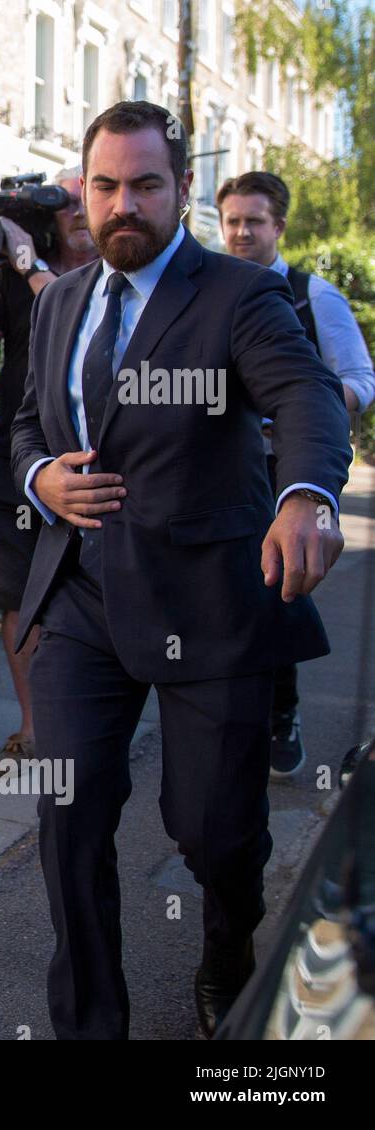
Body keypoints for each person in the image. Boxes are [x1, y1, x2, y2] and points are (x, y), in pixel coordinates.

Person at [10, 100, 351, 1039]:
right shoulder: (63, 303)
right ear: (85, 191)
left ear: (184, 190)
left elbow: (304, 395)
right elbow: (29, 428)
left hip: (208, 604)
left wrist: (306, 497)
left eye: (147, 186)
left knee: (214, 833)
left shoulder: (239, 295)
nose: (126, 206)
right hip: (81, 599)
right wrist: (42, 477)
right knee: (68, 818)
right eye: (107, 187)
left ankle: (228, 945)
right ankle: (90, 1022)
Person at [216, 170, 375, 780]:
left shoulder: (314, 296)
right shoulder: (207, 292)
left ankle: (282, 715)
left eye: (254, 221)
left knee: (276, 591)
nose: (240, 232)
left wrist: (302, 401)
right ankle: (227, 719)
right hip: (224, 469)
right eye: (231, 221)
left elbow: (361, 379)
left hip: (290, 470)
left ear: (278, 227)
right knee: (226, 595)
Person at [0, 166, 98, 758]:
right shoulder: (15, 278)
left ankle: (89, 722)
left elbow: (80, 325)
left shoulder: (113, 275)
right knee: (19, 599)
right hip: (20, 461)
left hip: (96, 465)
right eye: (68, 203)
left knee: (92, 603)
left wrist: (29, 266)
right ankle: (36, 728)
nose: (82, 212)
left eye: (94, 196)